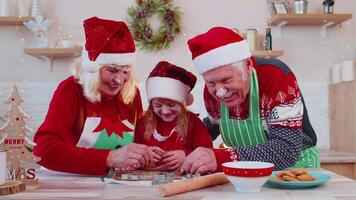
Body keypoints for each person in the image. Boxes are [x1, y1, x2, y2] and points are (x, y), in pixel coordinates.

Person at [181, 27, 320, 174]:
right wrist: (182, 147)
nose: (220, 92)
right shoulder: (212, 93)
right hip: (249, 172)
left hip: (295, 169)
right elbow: (213, 126)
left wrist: (220, 157)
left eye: (226, 79)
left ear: (248, 67)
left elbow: (286, 149)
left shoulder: (275, 76)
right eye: (211, 83)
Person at [33, 17, 154, 175]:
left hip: (116, 182)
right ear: (92, 68)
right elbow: (43, 151)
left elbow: (139, 140)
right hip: (71, 183)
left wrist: (146, 155)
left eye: (125, 72)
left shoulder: (130, 92)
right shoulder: (70, 90)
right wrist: (108, 158)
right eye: (111, 70)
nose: (119, 80)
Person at [134, 61, 213, 172]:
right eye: (158, 105)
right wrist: (144, 153)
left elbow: (207, 153)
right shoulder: (143, 122)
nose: (165, 111)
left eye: (171, 105)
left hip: (183, 180)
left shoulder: (193, 122)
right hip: (148, 178)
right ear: (151, 105)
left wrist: (186, 156)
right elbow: (134, 150)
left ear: (182, 103)